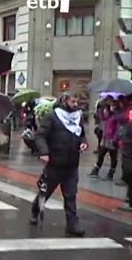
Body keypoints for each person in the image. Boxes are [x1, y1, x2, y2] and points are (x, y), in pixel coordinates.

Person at [30, 92, 87, 237]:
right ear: (65, 100)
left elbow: (81, 134)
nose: (76, 104)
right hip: (55, 162)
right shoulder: (53, 117)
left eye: (77, 101)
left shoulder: (77, 117)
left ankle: (72, 224)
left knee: (71, 195)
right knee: (46, 191)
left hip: (72, 163)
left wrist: (83, 143)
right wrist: (44, 152)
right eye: (73, 101)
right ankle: (35, 210)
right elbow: (40, 135)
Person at [90, 99, 120, 180]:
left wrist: (115, 138)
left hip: (113, 139)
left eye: (114, 106)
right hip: (106, 138)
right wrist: (100, 110)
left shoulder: (117, 116)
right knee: (101, 154)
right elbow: (102, 118)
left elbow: (118, 129)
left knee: (113, 156)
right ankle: (96, 170)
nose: (112, 107)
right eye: (111, 106)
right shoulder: (109, 115)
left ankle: (111, 172)